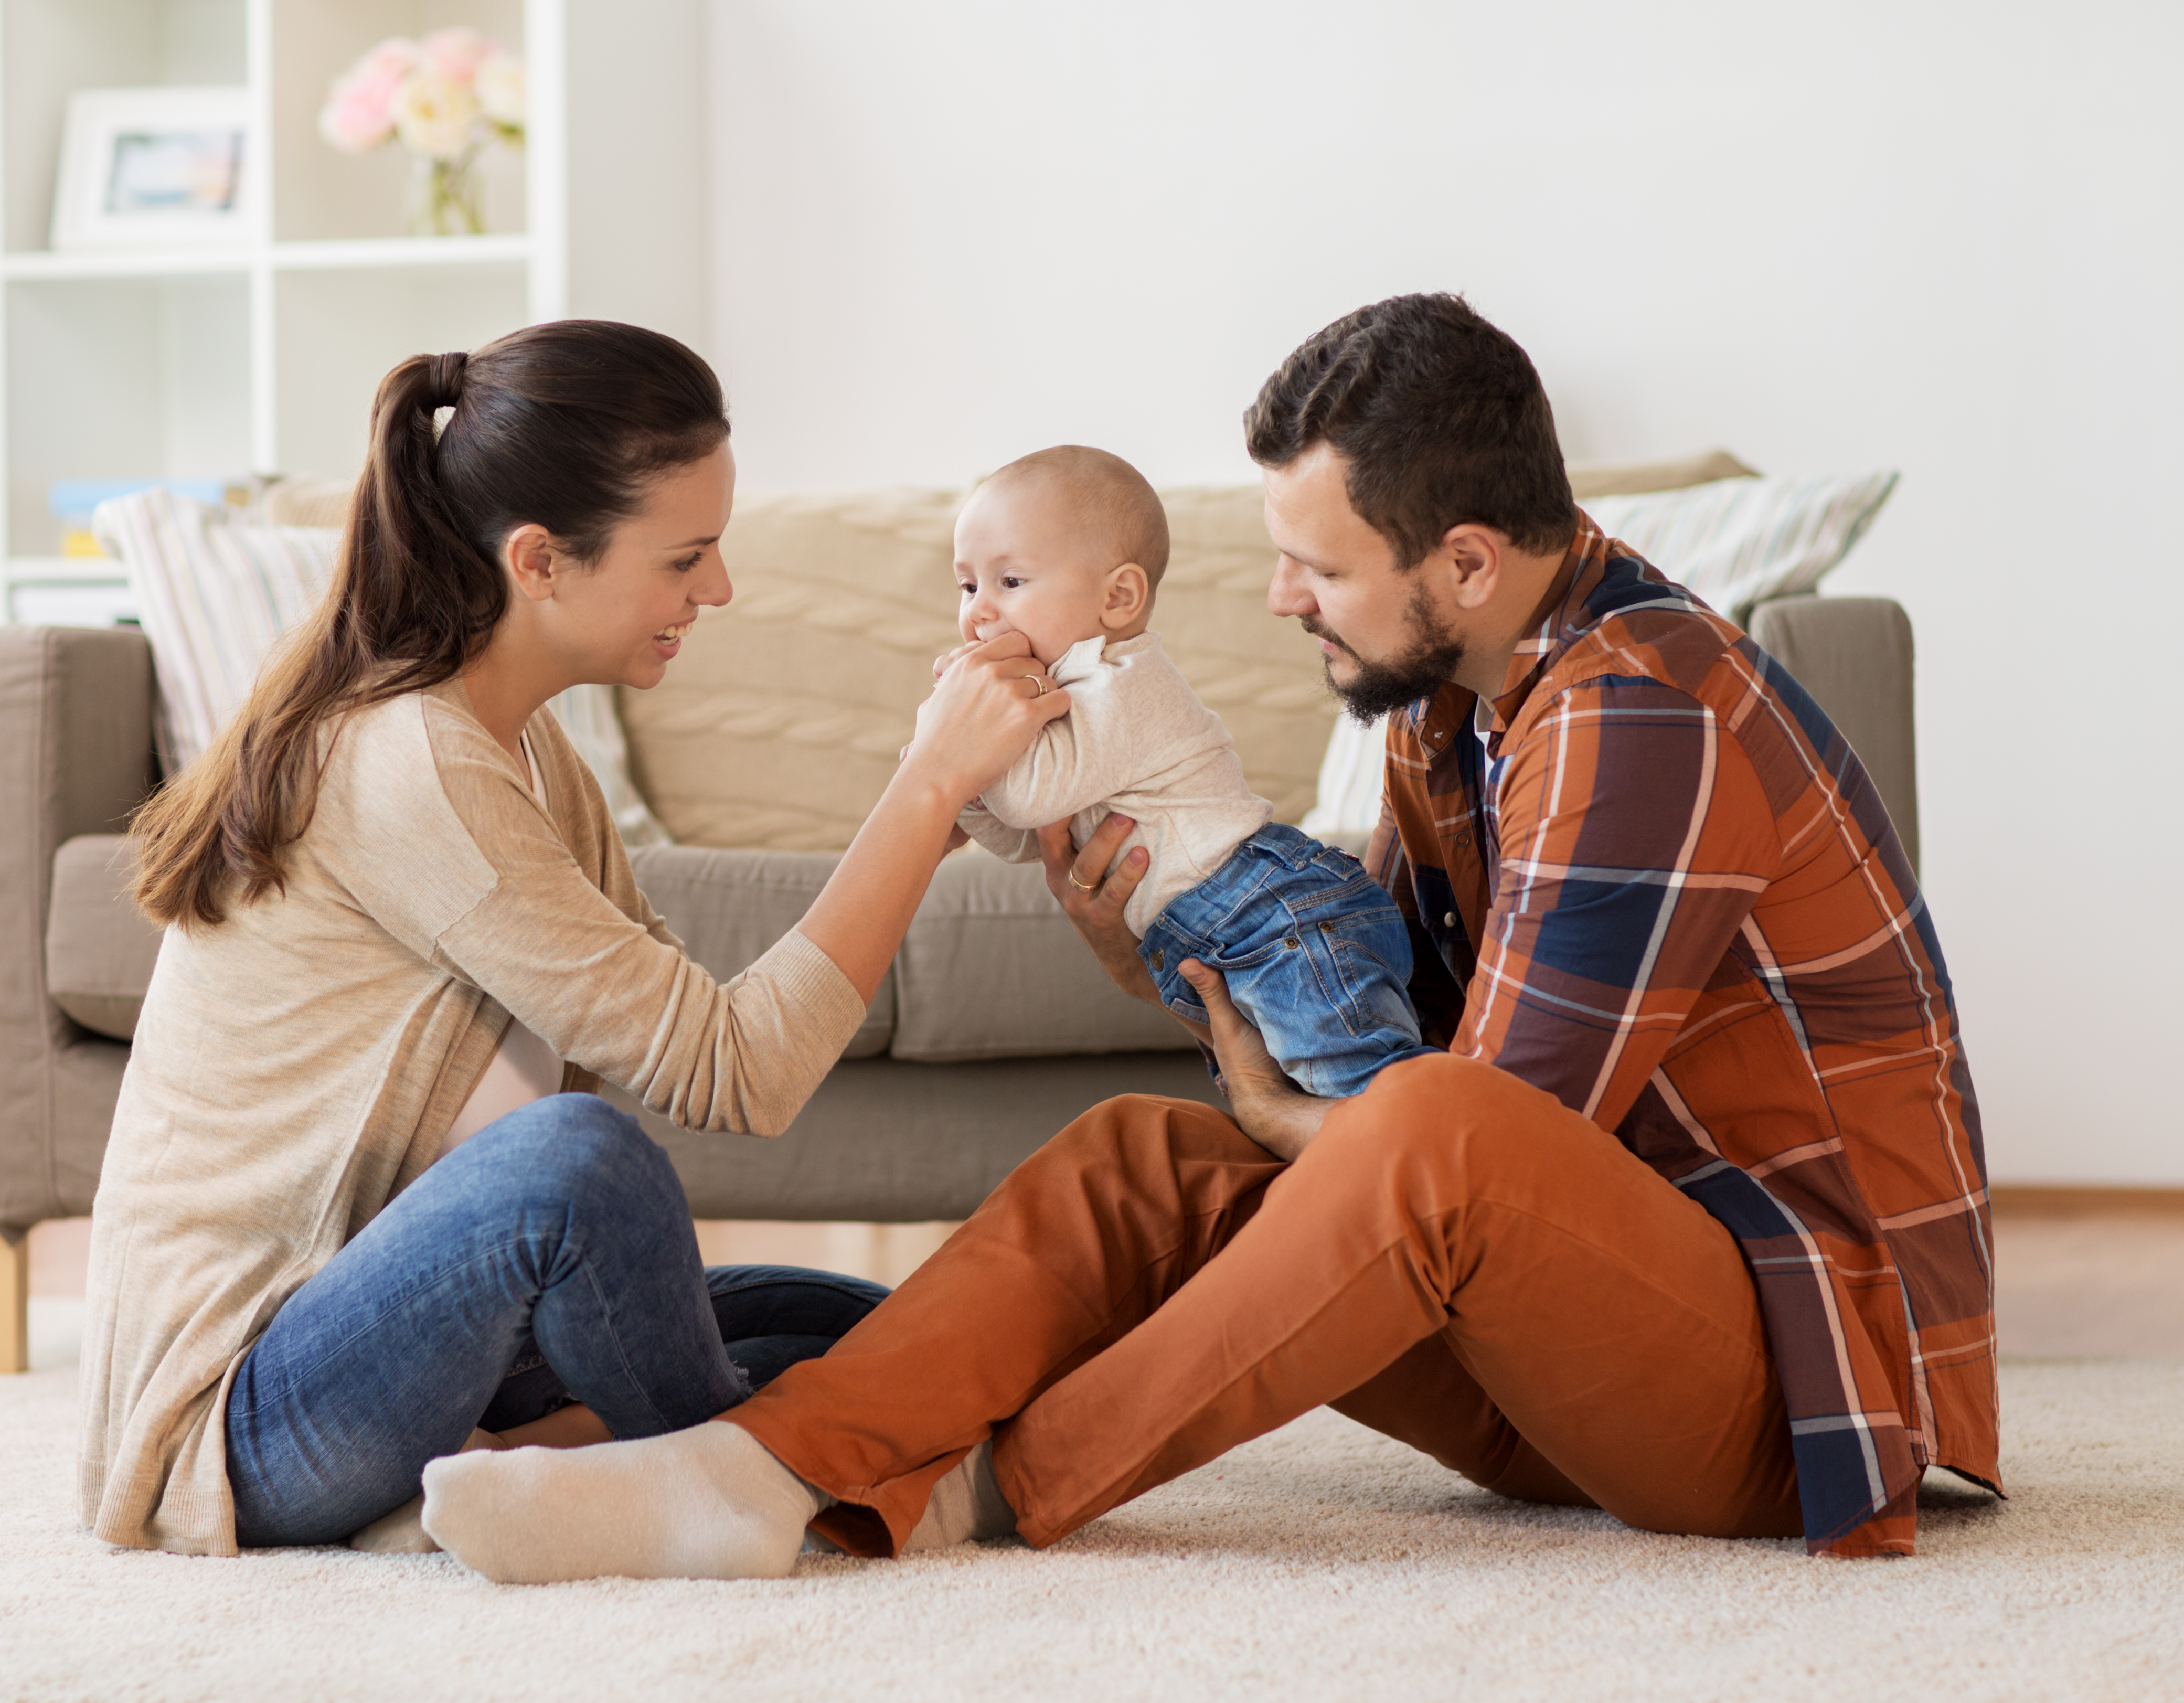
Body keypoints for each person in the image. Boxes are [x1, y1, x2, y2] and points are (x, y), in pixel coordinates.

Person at [417, 294, 1995, 1582]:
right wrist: (1163, 979)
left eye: (1314, 567)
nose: (1278, 602)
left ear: (1462, 560)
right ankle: (766, 1472)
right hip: (1582, 1329)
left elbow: (1485, 1143)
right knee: (1138, 1160)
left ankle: (974, 1492)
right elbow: (1394, 1045)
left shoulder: (1636, 714)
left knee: (1434, 1130)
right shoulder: (1449, 710)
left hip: (1802, 1385)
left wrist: (1288, 1122)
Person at [77, 320, 1069, 1556]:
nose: (718, 589)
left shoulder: (528, 749)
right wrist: (920, 789)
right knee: (577, 1164)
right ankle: (750, 1479)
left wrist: (970, 795)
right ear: (541, 559)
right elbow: (736, 1074)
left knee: (882, 1329)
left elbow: (704, 1029)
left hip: (431, 1347)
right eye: (687, 556)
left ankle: (536, 1470)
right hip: (243, 1421)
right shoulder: (410, 763)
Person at [943, 443, 1432, 1100]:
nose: (977, 610)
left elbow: (1030, 802)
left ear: (1117, 597)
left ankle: (1475, 1171)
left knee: (1372, 1105)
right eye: (967, 585)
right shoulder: (1052, 698)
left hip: (1270, 914)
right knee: (1312, 1106)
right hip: (1213, 935)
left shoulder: (1121, 681)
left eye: (1009, 582)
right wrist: (960, 791)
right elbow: (1020, 838)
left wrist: (952, 751)